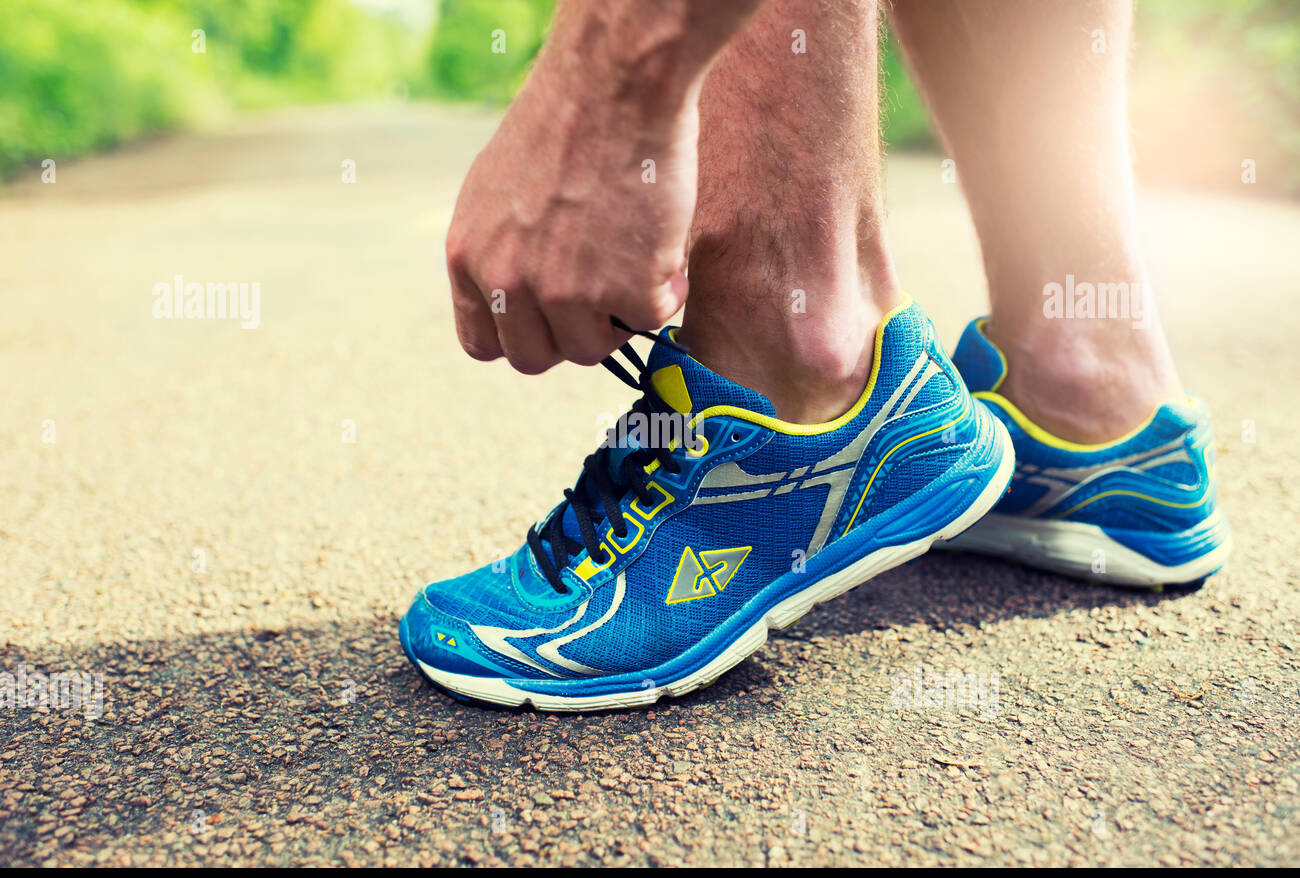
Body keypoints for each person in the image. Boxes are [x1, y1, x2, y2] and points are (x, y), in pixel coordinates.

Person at [398, 0, 1230, 710]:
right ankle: (1083, 376)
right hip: (1114, 428)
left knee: (794, 316)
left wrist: (603, 90)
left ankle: (803, 348)